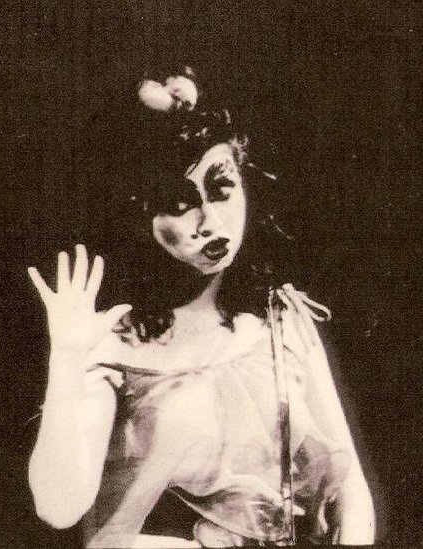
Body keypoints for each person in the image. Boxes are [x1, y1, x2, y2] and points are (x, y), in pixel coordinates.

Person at [27, 70, 375, 547]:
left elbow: (349, 486)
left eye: (221, 188)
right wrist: (66, 361)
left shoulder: (280, 316)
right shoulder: (112, 344)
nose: (208, 220)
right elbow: (59, 507)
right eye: (178, 203)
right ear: (138, 215)